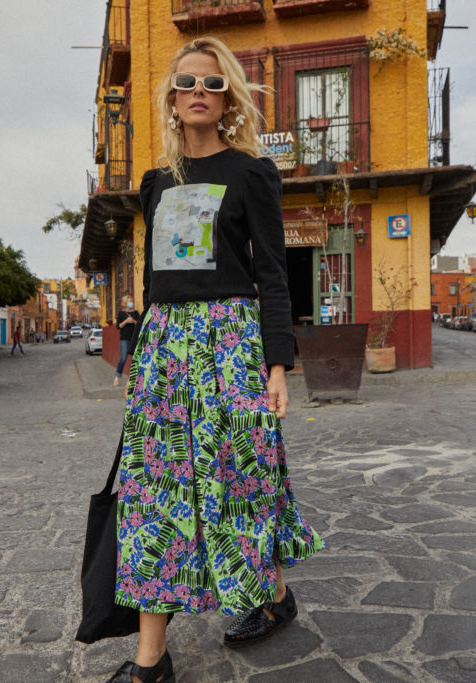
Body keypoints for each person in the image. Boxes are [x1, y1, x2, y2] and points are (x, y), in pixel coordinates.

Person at [105, 36, 323, 683]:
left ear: (227, 98)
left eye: (213, 83)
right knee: (153, 493)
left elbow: (274, 275)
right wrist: (141, 358)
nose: (199, 91)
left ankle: (275, 594)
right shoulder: (154, 184)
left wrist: (277, 364)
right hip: (167, 349)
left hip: (231, 342)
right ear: (172, 99)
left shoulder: (251, 173)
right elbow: (153, 282)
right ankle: (151, 658)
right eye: (188, 82)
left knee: (241, 479)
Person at [114, 295, 141, 387]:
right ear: (125, 303)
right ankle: (117, 377)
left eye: (132, 301)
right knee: (123, 358)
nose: (131, 303)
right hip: (124, 339)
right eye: (129, 301)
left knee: (135, 358)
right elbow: (118, 326)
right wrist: (126, 321)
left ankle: (135, 379)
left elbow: (140, 325)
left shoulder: (136, 313)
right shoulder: (121, 314)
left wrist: (133, 320)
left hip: (134, 338)